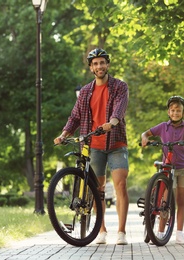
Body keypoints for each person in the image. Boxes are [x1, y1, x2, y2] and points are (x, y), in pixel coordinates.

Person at [54, 48, 129, 245]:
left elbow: (119, 109)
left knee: (120, 184)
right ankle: (101, 230)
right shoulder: (86, 91)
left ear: (108, 64)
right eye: (95, 64)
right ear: (91, 68)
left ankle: (121, 232)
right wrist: (64, 134)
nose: (99, 66)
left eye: (102, 62)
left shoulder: (120, 87)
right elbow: (75, 117)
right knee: (98, 189)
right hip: (92, 144)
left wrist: (111, 122)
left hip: (115, 141)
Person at [140, 95, 184, 245]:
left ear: (183, 113)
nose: (175, 113)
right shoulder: (162, 127)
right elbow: (146, 133)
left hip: (183, 167)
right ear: (168, 112)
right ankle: (160, 233)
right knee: (165, 201)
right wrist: (144, 138)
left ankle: (179, 233)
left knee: (181, 200)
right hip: (168, 167)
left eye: (178, 111)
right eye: (172, 110)